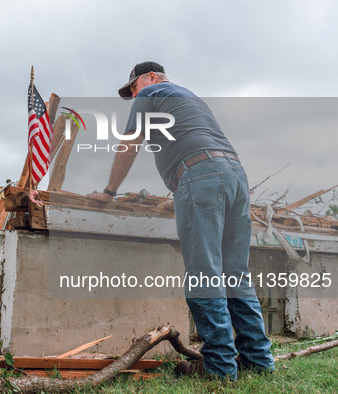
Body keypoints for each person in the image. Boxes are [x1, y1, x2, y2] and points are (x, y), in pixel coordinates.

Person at [87, 61, 274, 380]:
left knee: (204, 273)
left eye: (133, 87)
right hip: (235, 177)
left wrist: (108, 192)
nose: (134, 95)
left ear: (150, 77)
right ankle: (258, 360)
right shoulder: (190, 98)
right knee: (235, 275)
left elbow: (130, 142)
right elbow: (203, 152)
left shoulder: (152, 93)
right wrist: (179, 195)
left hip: (202, 176)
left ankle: (219, 367)